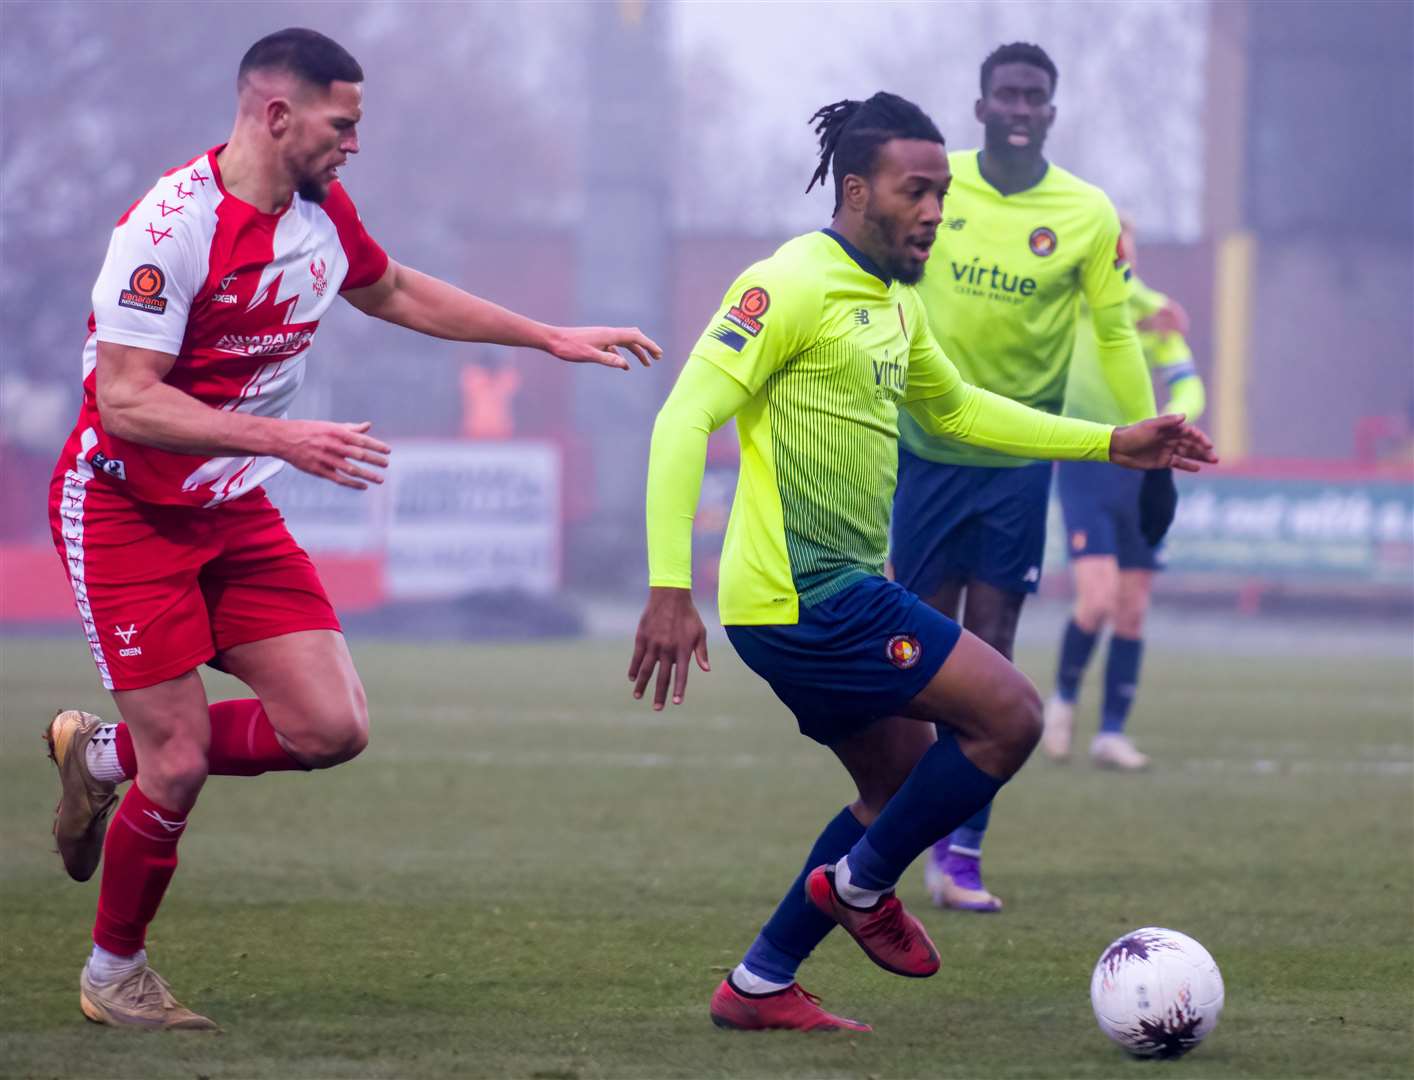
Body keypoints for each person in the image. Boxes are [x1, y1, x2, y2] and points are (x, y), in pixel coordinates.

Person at [44, 27, 659, 1031]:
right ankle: (114, 974)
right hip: (125, 509)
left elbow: (397, 289)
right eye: (344, 122)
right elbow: (125, 403)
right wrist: (280, 436)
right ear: (276, 114)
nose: (354, 142)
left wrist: (547, 335)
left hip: (230, 504)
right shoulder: (168, 229)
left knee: (331, 728)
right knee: (184, 761)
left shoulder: (320, 215)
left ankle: (101, 756)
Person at [627, 91, 1215, 1033]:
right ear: (857, 191)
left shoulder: (896, 303)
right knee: (1010, 719)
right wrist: (667, 584)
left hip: (827, 597)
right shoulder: (789, 283)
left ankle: (759, 983)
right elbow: (682, 418)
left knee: (898, 791)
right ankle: (860, 889)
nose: (938, 211)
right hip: (807, 597)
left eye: (944, 192)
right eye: (918, 191)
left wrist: (1114, 441)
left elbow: (958, 411)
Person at [891, 42, 1163, 914]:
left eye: (1034, 95)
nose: (1018, 105)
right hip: (925, 450)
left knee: (995, 657)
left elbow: (1117, 334)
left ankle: (963, 851)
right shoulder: (939, 186)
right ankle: (910, 831)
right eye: (1005, 92)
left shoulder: (1085, 212)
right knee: (923, 662)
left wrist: (1143, 438)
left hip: (1016, 464)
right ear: (980, 107)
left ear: (1052, 110)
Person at [1043, 216, 1206, 769]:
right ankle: (1062, 701)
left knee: (1133, 609)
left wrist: (1178, 418)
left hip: (1145, 469)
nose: (1119, 258)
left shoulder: (1157, 315)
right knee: (1097, 598)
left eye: (1125, 248)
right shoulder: (1081, 302)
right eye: (1110, 249)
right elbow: (1116, 286)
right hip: (1089, 458)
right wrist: (1139, 298)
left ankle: (1111, 733)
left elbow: (1186, 378)